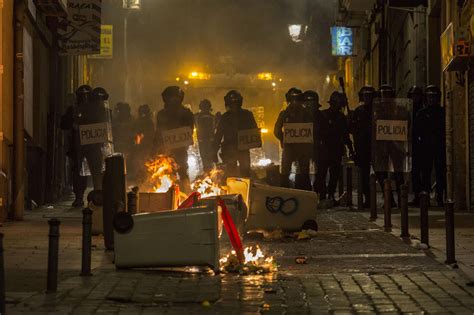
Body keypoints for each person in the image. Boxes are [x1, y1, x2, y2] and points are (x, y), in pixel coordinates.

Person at [315, 91, 354, 201]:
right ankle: (323, 194)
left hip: (333, 149)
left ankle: (329, 195)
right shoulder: (322, 115)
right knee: (323, 174)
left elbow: (345, 135)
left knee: (332, 175)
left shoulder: (340, 117)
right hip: (325, 149)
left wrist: (350, 148)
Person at [372, 84, 407, 206]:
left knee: (398, 173)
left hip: (396, 146)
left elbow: (405, 124)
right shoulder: (376, 111)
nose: (385, 98)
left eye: (387, 95)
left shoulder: (399, 110)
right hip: (382, 146)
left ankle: (402, 198)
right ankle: (389, 198)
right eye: (383, 95)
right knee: (382, 173)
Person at [155, 86, 194, 193]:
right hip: (167, 151)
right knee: (170, 174)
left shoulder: (186, 113)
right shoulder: (162, 114)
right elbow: (158, 133)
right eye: (171, 98)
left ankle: (186, 194)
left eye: (175, 98)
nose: (173, 101)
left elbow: (190, 129)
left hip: (180, 150)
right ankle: (173, 197)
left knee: (182, 173)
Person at [274, 88, 313, 190]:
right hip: (295, 148)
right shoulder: (286, 114)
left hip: (298, 148)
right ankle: (298, 192)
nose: (295, 103)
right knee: (293, 172)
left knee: (295, 172)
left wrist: (284, 139)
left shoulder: (303, 113)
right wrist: (284, 139)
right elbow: (277, 131)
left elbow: (277, 131)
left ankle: (292, 192)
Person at [214, 90, 258, 178]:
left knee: (233, 173)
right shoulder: (247, 115)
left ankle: (236, 190)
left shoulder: (225, 117)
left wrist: (214, 151)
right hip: (237, 149)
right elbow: (254, 131)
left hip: (233, 149)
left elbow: (218, 136)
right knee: (241, 173)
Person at [60, 85, 91, 207]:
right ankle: (79, 197)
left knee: (92, 172)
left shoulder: (96, 109)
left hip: (93, 147)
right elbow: (63, 124)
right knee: (79, 173)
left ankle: (97, 197)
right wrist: (72, 124)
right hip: (77, 147)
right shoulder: (73, 110)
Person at [415, 85, 446, 206]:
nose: (431, 100)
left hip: (439, 146)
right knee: (426, 173)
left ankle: (440, 196)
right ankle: (425, 196)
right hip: (425, 147)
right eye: (429, 97)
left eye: (433, 97)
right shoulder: (422, 113)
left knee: (440, 172)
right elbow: (417, 130)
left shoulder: (442, 112)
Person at [350, 86, 376, 207]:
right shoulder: (358, 111)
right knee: (364, 176)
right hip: (362, 147)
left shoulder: (378, 110)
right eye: (365, 96)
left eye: (369, 96)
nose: (367, 98)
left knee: (381, 174)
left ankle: (390, 198)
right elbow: (352, 130)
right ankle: (368, 199)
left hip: (377, 147)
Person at [407, 86, 424, 206]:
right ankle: (417, 195)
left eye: (417, 96)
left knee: (424, 171)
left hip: (423, 145)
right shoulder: (408, 111)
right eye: (413, 96)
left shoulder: (423, 110)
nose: (415, 98)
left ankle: (424, 195)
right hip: (411, 145)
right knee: (415, 173)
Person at [195, 99, 216, 172]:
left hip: (202, 141)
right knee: (209, 158)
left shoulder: (197, 117)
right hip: (210, 141)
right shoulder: (213, 117)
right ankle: (210, 173)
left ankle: (208, 172)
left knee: (204, 157)